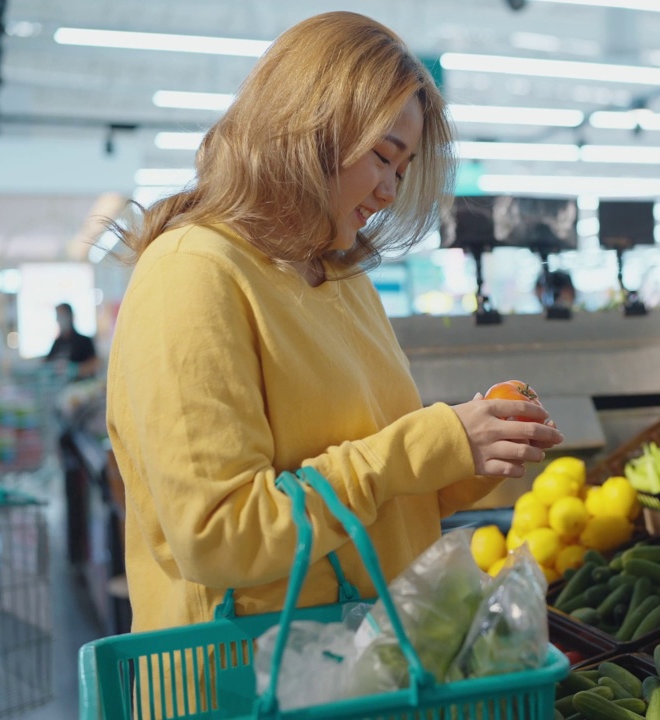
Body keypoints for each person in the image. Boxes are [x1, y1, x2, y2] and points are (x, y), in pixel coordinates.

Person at [106, 11, 563, 635]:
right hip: (249, 679)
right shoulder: (192, 273)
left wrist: (466, 454)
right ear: (306, 128)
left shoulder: (341, 280)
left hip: (361, 662)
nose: (389, 192)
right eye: (383, 156)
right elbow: (221, 538)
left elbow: (375, 487)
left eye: (402, 172)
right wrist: (425, 444)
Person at [44, 303, 98, 380]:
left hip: (80, 386)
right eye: (58, 316)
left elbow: (94, 364)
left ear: (70, 316)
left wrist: (77, 370)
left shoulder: (84, 341)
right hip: (61, 387)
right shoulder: (57, 343)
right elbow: (45, 364)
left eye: (63, 315)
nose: (60, 319)